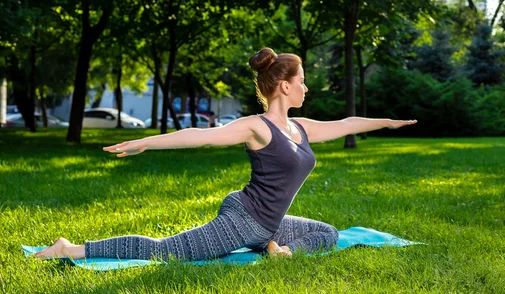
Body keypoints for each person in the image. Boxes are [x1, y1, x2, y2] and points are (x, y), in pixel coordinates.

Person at [34, 47, 417, 262]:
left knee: (327, 232)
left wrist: (387, 122)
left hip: (270, 223)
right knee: (164, 251)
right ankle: (71, 248)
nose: (306, 87)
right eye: (302, 81)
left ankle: (275, 249)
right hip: (243, 218)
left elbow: (347, 123)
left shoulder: (301, 128)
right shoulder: (256, 127)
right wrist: (147, 141)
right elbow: (201, 136)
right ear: (284, 86)